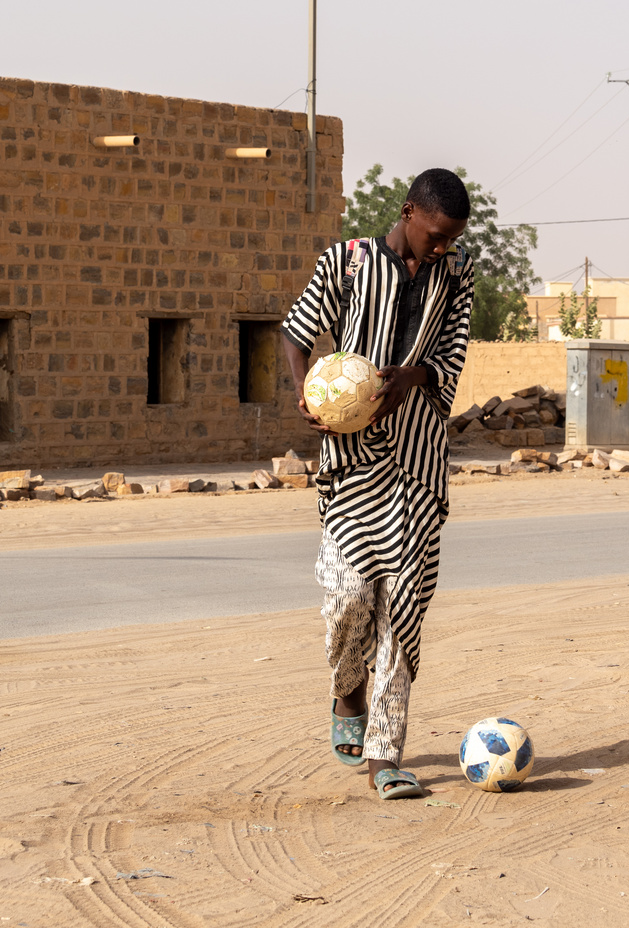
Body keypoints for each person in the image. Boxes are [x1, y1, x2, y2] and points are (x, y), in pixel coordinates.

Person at [281, 168, 474, 799]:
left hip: (418, 463)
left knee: (403, 611)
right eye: (435, 235)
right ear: (410, 212)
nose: (441, 248)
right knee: (348, 600)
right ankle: (347, 692)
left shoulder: (457, 276)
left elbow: (451, 358)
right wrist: (304, 392)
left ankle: (385, 755)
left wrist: (412, 379)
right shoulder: (347, 262)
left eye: (452, 238)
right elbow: (295, 332)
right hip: (351, 463)